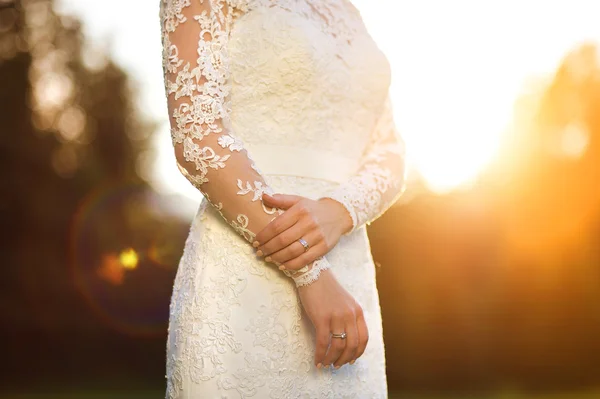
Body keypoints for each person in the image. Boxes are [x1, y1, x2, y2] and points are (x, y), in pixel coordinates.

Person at [158, 0, 407, 397]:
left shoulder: (350, 12)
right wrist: (311, 271)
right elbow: (197, 134)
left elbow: (390, 153)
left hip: (350, 276)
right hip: (245, 273)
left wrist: (339, 211)